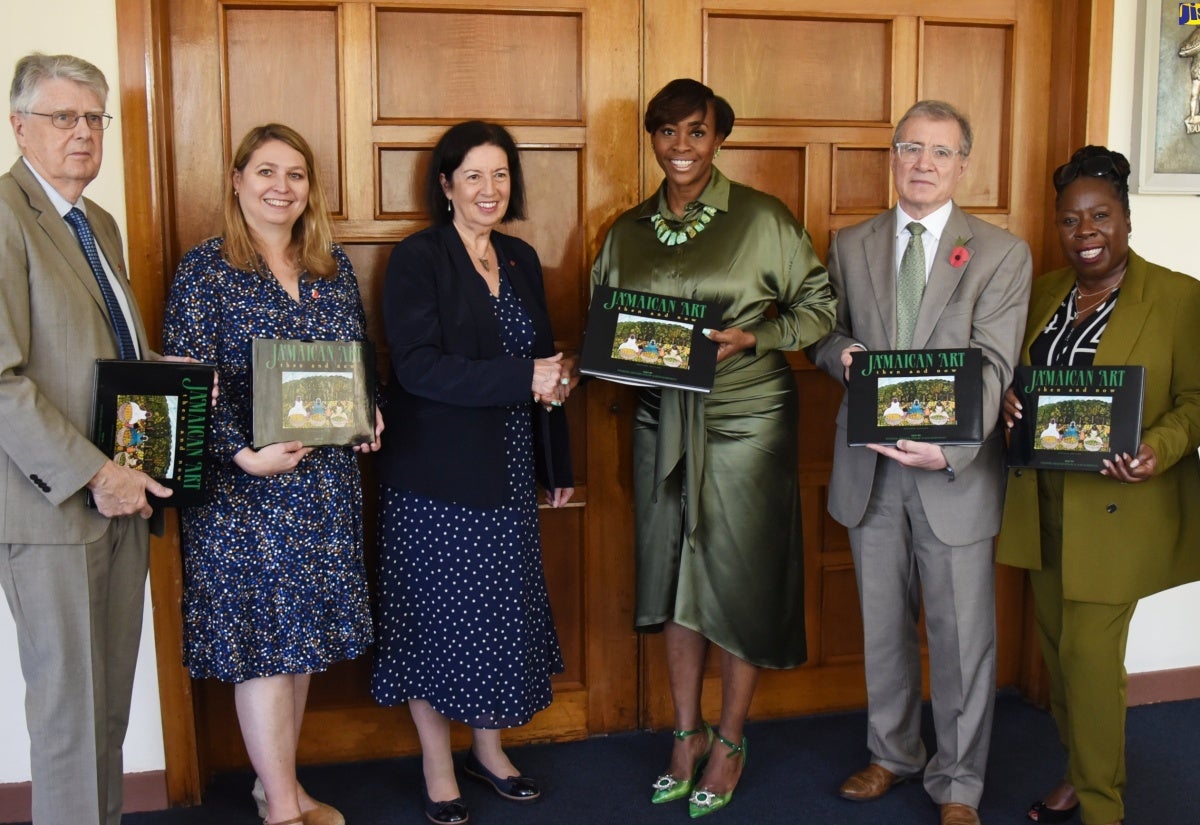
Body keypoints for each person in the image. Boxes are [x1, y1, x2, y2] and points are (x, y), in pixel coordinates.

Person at [590, 78, 836, 818]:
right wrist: (613, 354)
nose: (680, 148)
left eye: (695, 132)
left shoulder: (762, 218)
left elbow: (818, 308)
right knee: (671, 576)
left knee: (737, 576)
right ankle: (685, 732)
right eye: (666, 132)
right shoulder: (625, 229)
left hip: (747, 418)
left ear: (719, 137)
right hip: (660, 421)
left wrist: (755, 336)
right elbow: (603, 324)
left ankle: (731, 738)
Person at [807, 100, 1032, 825]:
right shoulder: (850, 243)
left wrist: (954, 447)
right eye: (911, 148)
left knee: (962, 635)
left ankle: (959, 782)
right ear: (893, 157)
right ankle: (893, 753)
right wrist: (838, 354)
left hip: (950, 472)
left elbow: (996, 364)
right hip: (869, 468)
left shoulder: (1000, 252)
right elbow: (824, 329)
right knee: (882, 625)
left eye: (940, 151)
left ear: (963, 164)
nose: (924, 164)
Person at [163, 123, 381, 825]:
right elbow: (187, 387)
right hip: (245, 493)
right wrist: (239, 451)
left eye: (295, 174)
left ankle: (274, 784)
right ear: (237, 180)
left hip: (323, 486)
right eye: (265, 172)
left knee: (304, 640)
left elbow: (356, 355)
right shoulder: (205, 270)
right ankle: (284, 806)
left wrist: (368, 408)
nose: (281, 187)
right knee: (265, 644)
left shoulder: (331, 267)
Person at [372, 120, 573, 825]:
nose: (490, 189)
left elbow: (543, 368)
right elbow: (419, 366)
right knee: (434, 622)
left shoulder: (519, 258)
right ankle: (436, 764)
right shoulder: (417, 258)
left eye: (501, 175)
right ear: (446, 184)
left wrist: (558, 458)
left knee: (495, 618)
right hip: (434, 477)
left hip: (511, 470)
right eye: (475, 175)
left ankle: (489, 750)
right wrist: (524, 375)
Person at [997, 146, 1200, 825]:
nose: (1086, 233)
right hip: (1042, 504)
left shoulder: (1176, 297)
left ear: (1127, 220)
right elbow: (1020, 379)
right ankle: (1079, 773)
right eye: (1071, 220)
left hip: (1116, 510)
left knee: (1088, 660)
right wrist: (1008, 404)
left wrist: (1157, 448)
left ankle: (1103, 808)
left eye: (1100, 217)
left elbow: (1198, 398)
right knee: (1058, 654)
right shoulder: (1046, 292)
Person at [0, 52, 175, 825]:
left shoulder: (96, 222)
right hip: (54, 509)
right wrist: (98, 472)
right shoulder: (5, 217)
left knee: (107, 710)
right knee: (71, 718)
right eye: (63, 117)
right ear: (19, 126)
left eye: (94, 119)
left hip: (121, 498)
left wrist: (156, 375)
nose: (82, 134)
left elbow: (99, 353)